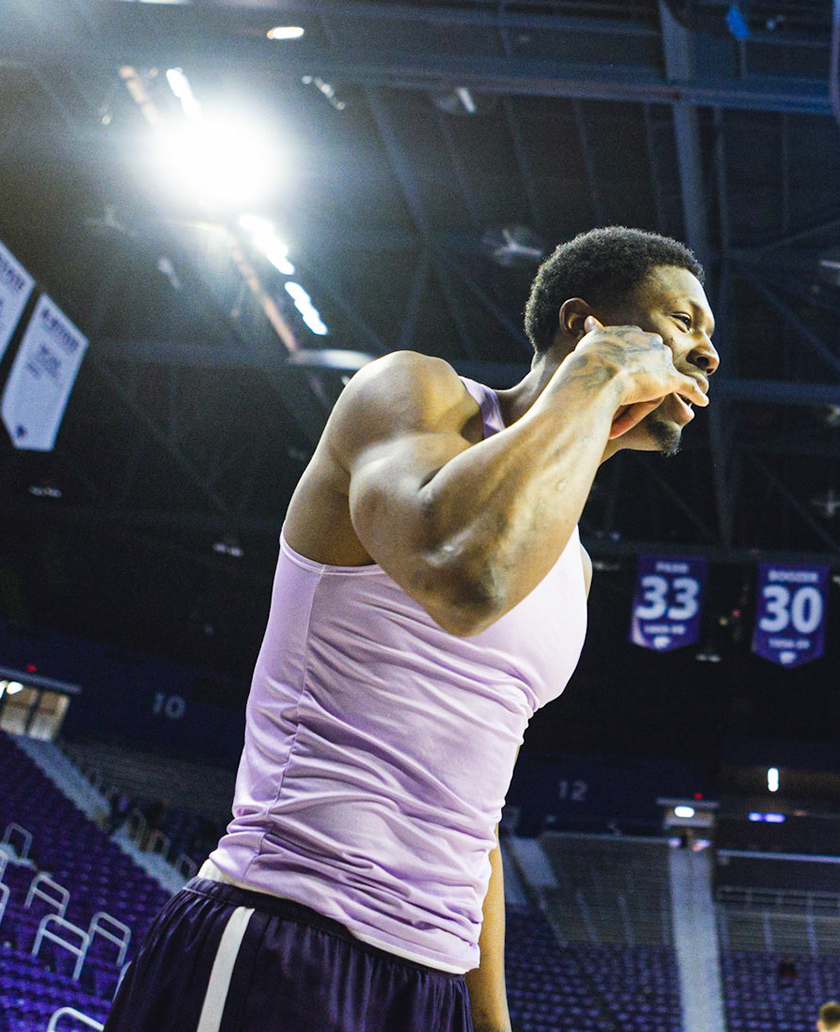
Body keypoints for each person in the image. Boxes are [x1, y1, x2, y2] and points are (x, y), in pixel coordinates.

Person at [104, 228, 717, 1032]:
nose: (706, 354)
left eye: (710, 338)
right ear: (584, 323)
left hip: (430, 983)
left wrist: (489, 1019)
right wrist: (596, 379)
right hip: (285, 928)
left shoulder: (573, 567)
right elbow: (465, 577)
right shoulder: (415, 394)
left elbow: (473, 806)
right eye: (683, 322)